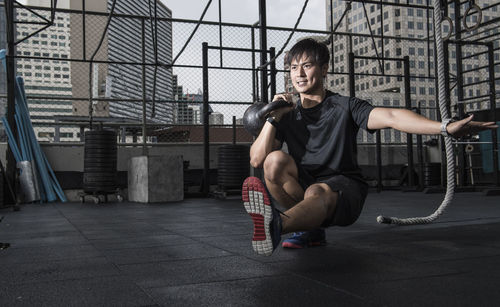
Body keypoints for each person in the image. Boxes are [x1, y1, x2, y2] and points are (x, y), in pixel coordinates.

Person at [242, 38, 498, 256]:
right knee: (274, 161)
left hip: (344, 190)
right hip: (307, 184)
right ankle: (309, 230)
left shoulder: (345, 106)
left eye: (307, 66)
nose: (298, 74)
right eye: (293, 68)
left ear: (323, 69)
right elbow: (257, 160)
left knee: (317, 191)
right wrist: (273, 116)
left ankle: (277, 225)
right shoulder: (287, 114)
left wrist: (444, 127)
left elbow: (393, 117)